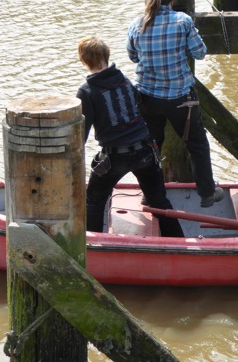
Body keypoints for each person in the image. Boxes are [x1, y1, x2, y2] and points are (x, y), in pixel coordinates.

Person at [126, 0, 224, 208]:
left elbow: (132, 56)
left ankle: (149, 194)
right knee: (197, 143)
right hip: (181, 100)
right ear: (173, 1)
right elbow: (200, 53)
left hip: (147, 98)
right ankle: (207, 193)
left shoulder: (136, 24)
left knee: (151, 146)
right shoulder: (183, 21)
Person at [76, 35, 184, 237]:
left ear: (84, 61)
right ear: (107, 56)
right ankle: (179, 243)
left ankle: (94, 245)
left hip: (115, 156)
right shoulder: (125, 81)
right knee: (158, 200)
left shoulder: (86, 91)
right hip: (145, 150)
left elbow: (82, 133)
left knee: (94, 200)